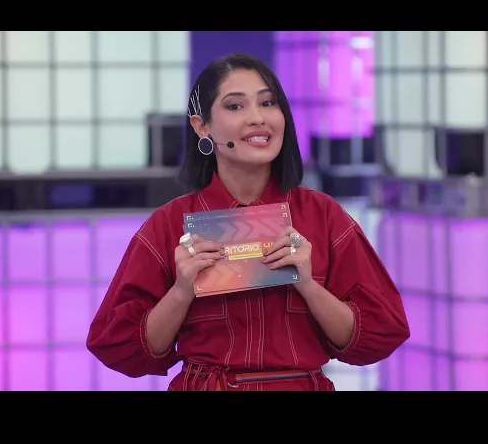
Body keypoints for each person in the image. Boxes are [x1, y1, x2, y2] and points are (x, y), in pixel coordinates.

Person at [86, 52, 410, 391]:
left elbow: (381, 333)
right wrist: (181, 291)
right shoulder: (168, 224)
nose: (257, 118)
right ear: (202, 126)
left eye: (268, 103)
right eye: (235, 106)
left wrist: (309, 286)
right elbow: (116, 345)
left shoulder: (324, 215)